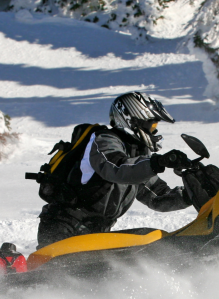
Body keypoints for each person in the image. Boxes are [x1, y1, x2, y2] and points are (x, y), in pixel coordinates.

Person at [36, 92, 196, 248]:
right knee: (60, 274)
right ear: (132, 120)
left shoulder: (137, 156)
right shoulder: (103, 141)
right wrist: (159, 162)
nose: (154, 131)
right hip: (65, 226)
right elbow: (116, 167)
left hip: (95, 232)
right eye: (151, 124)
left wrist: (192, 193)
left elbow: (157, 196)